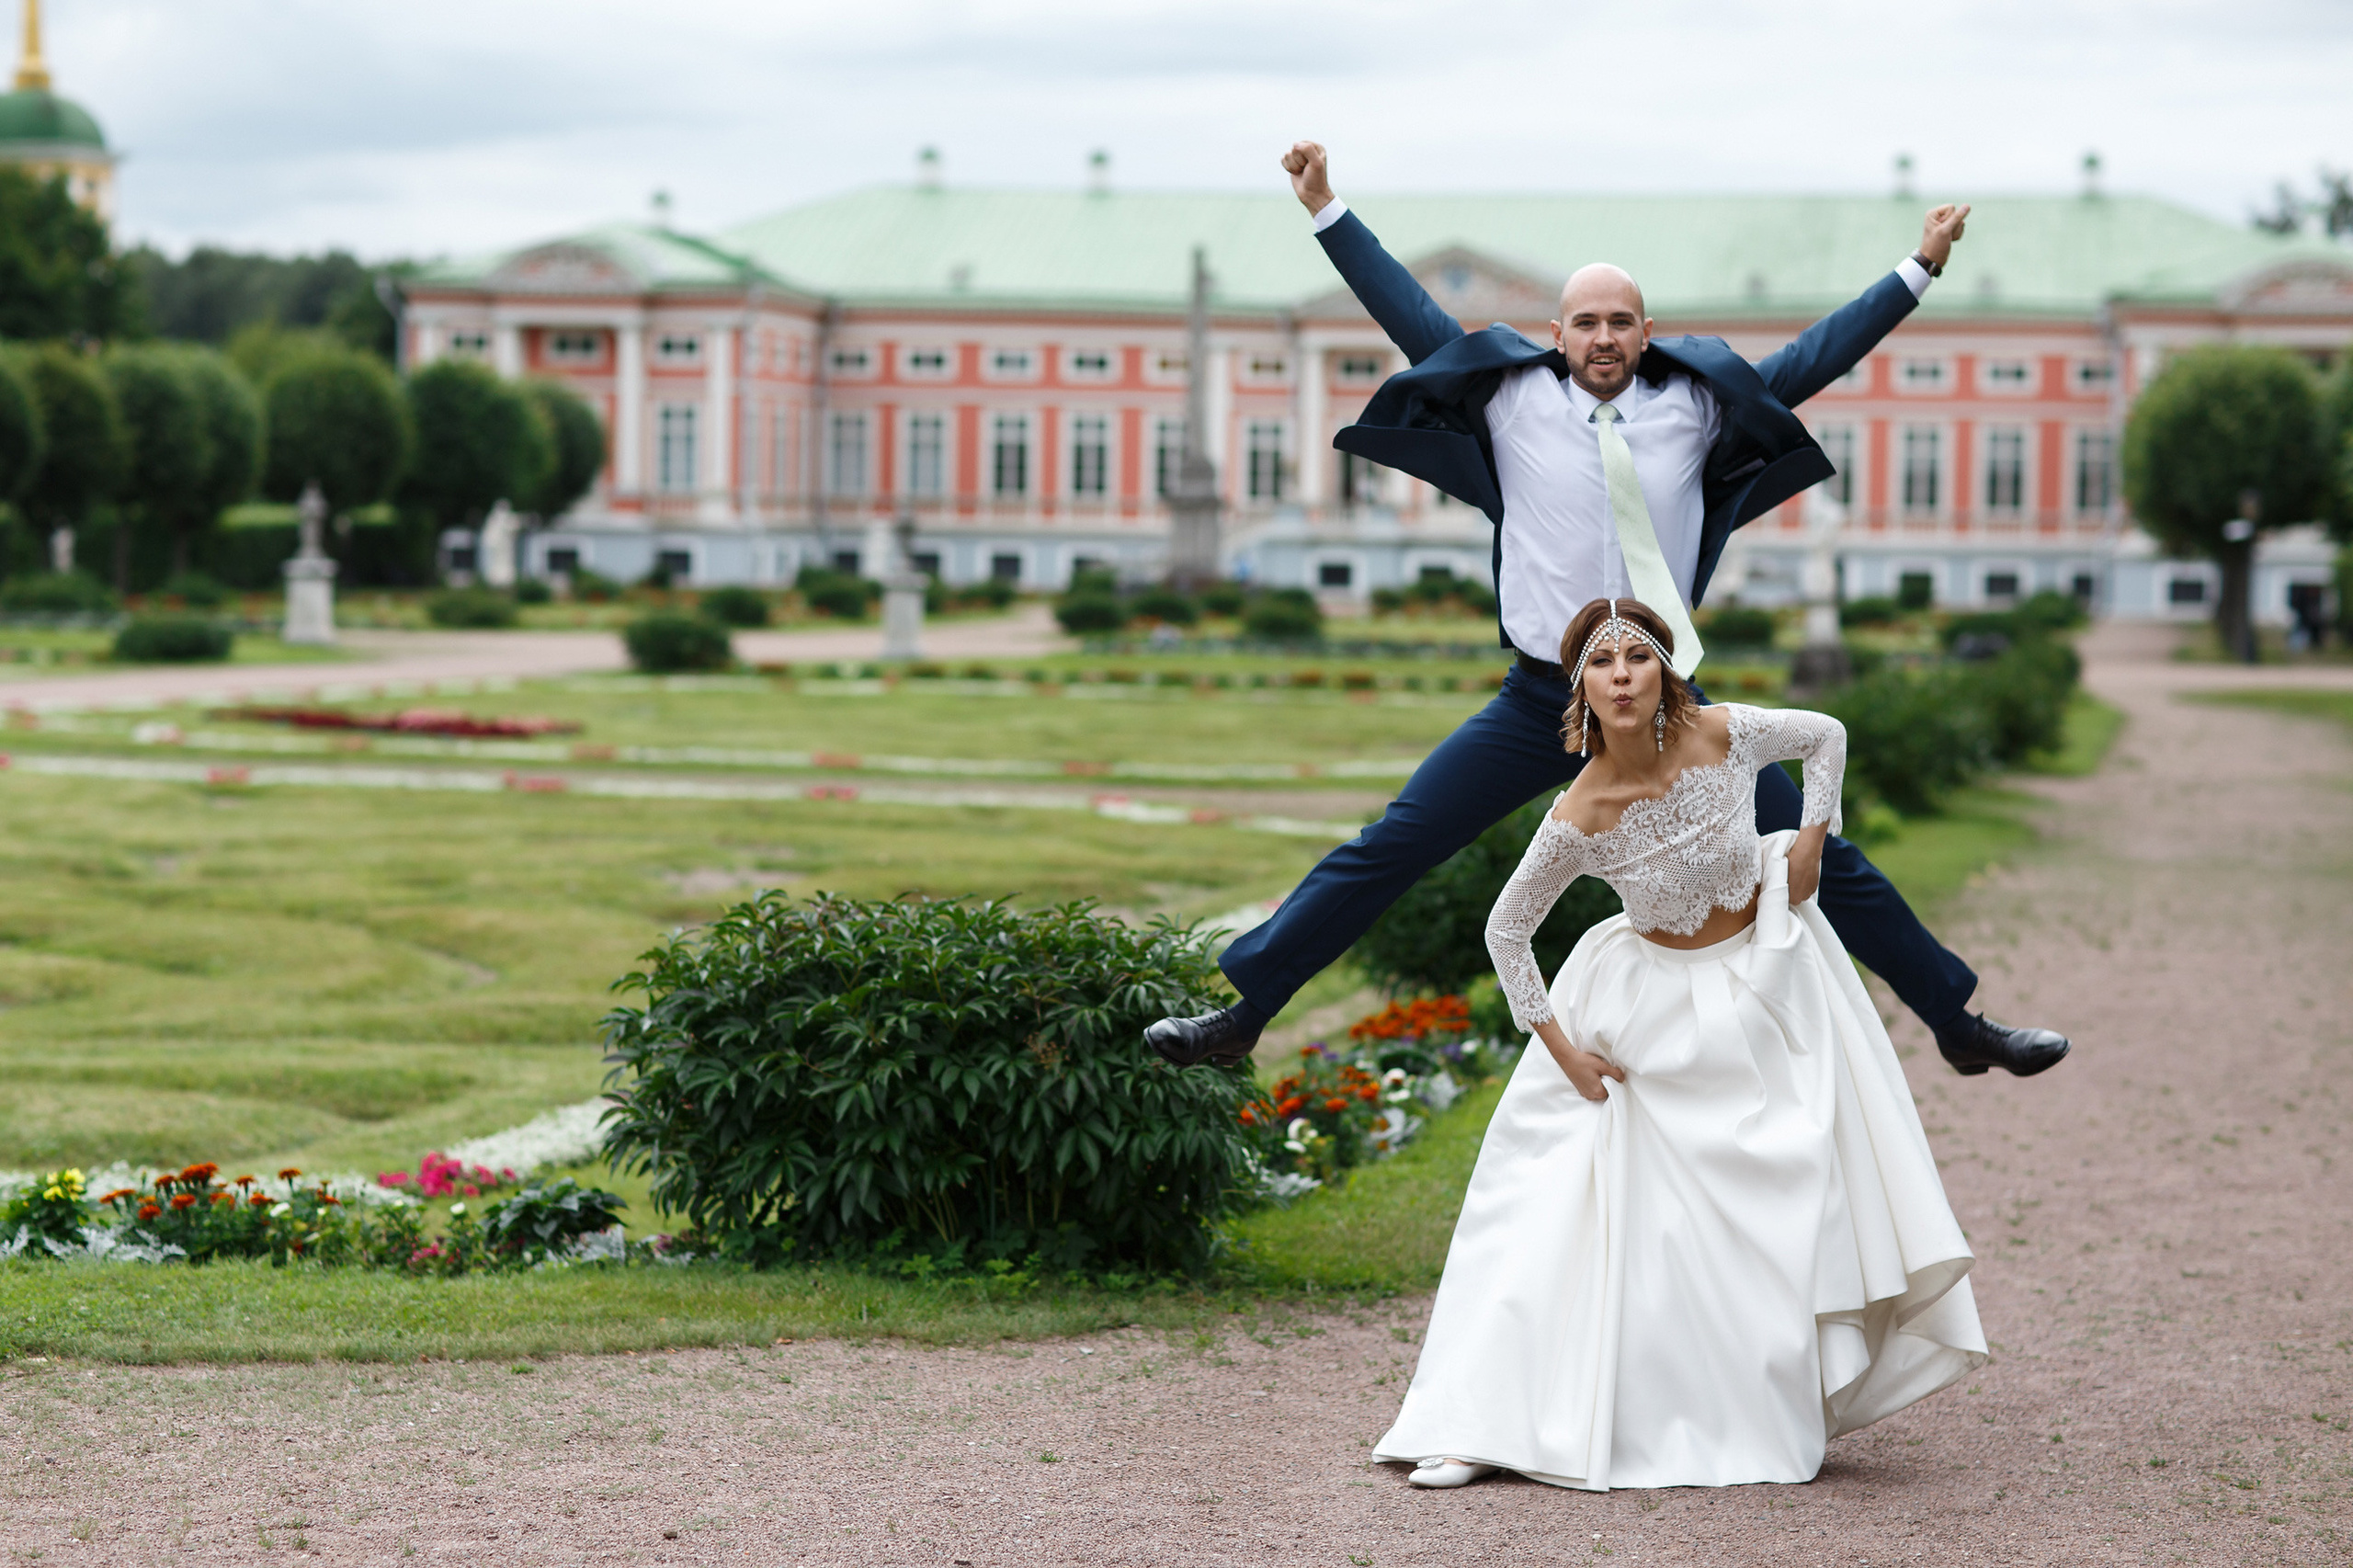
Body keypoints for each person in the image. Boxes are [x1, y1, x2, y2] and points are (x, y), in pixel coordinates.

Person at [1144, 141, 2068, 1081]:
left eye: (1619, 322)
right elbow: (1409, 313)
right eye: (1584, 322)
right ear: (1558, 333)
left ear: (1644, 329)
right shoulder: (1509, 402)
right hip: (1539, 700)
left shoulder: (1695, 408)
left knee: (1820, 852)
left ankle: (1956, 1019)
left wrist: (1918, 268)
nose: (1602, 337)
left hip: (1670, 706)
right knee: (1393, 843)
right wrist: (1325, 205)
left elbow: (1812, 357)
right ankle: (1245, 1009)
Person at [1375, 597, 1986, 1491]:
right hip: (1642, 1014)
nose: (1621, 673)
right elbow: (1507, 932)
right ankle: (1485, 1420)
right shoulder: (1579, 808)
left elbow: (1824, 733)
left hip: (1770, 982)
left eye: (1636, 656)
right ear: (1579, 688)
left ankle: (1755, 1399)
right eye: (1600, 661)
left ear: (1663, 669)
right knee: (1553, 1214)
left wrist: (1814, 834)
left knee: (1783, 1197)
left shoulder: (1724, 734)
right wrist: (1562, 1050)